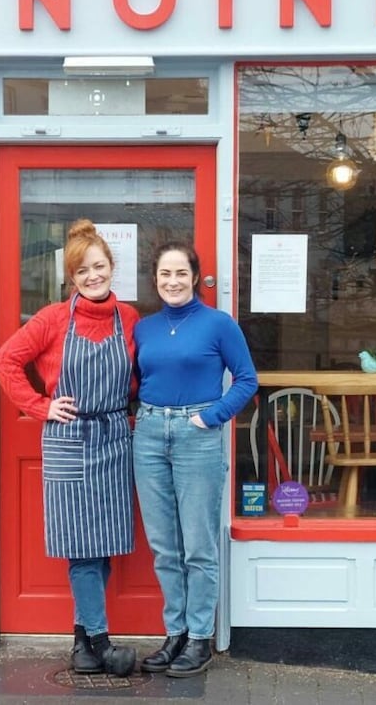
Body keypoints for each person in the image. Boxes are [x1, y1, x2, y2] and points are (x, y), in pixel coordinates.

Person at [0, 218, 140, 677]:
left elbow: (140, 376)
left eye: (99, 267)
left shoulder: (129, 319)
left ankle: (82, 643)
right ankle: (101, 642)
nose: (93, 276)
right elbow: (5, 362)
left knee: (105, 544)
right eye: (82, 271)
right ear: (71, 278)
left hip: (114, 437)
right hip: (69, 440)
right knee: (82, 547)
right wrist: (41, 406)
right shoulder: (53, 319)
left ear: (111, 266)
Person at [133, 240, 258, 678]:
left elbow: (246, 380)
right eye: (165, 274)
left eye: (181, 273)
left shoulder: (218, 324)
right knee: (164, 546)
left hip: (197, 435)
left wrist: (211, 417)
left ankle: (200, 637)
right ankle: (176, 633)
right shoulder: (144, 329)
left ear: (195, 277)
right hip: (149, 434)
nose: (173, 282)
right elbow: (137, 380)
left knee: (198, 546)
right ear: (155, 279)